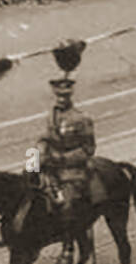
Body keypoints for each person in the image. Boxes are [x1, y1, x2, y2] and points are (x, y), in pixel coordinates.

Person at [34, 77, 96, 220]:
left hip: (72, 170)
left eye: (64, 96)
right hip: (51, 165)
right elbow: (43, 138)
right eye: (59, 96)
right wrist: (35, 157)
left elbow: (88, 149)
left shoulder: (81, 118)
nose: (61, 99)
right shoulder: (51, 116)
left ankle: (70, 237)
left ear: (70, 95)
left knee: (67, 204)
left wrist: (62, 158)